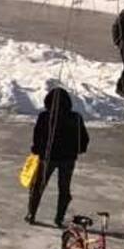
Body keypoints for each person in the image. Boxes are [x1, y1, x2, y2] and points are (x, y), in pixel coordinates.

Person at [26, 87, 89, 227]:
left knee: (38, 186)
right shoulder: (76, 117)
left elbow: (37, 137)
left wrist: (36, 150)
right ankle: (59, 218)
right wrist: (78, 150)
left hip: (48, 158)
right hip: (68, 159)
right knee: (64, 189)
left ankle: (31, 214)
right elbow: (84, 138)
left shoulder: (45, 116)